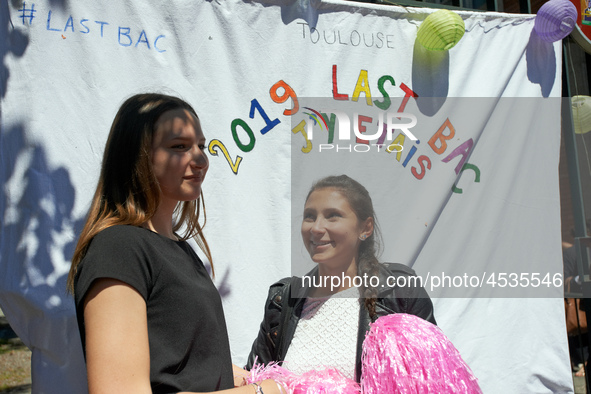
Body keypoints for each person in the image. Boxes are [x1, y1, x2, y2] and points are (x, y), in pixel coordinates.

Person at [66, 93, 282, 394]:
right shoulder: (118, 249)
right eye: (179, 147)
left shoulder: (178, 249)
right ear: (136, 156)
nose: (201, 159)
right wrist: (264, 393)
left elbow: (177, 365)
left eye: (201, 147)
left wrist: (231, 373)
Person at [246, 174, 436, 382]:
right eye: (309, 216)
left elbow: (432, 379)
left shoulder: (399, 290)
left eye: (332, 216)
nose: (316, 228)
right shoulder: (284, 300)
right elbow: (256, 381)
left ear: (365, 228)